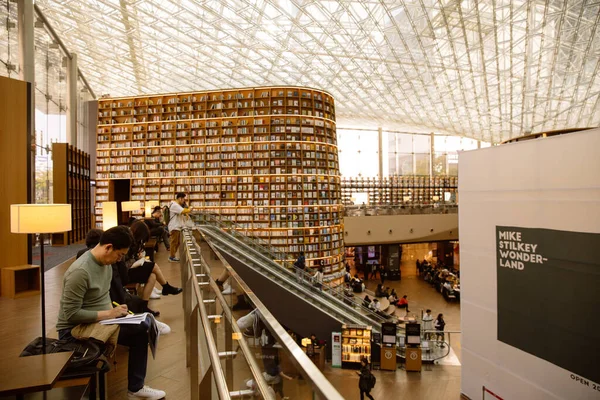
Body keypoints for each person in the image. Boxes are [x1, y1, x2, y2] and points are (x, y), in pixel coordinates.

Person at [56, 226, 166, 399]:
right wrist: (109, 314)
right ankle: (136, 388)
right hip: (74, 329)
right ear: (108, 247)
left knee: (144, 325)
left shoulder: (105, 264)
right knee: (140, 331)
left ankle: (136, 388)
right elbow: (71, 315)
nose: (119, 260)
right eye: (119, 255)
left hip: (100, 320)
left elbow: (102, 296)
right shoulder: (80, 272)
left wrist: (120, 313)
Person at [121, 220, 183, 315]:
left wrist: (139, 258)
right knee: (153, 265)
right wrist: (137, 260)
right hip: (125, 273)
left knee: (152, 276)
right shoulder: (126, 243)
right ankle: (166, 287)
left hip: (131, 270)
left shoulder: (135, 242)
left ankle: (144, 307)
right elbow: (123, 263)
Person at [168, 192, 193, 262]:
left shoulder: (176, 205)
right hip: (174, 226)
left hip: (177, 226)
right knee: (174, 242)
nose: (184, 201)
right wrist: (190, 208)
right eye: (183, 199)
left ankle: (172, 255)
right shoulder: (174, 205)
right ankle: (172, 257)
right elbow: (183, 211)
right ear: (180, 198)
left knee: (177, 242)